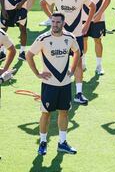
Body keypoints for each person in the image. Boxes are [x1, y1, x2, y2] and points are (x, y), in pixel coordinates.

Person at [26, 13, 81, 155]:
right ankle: (43, 142)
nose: (54, 24)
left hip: (65, 84)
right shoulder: (43, 38)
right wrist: (37, 73)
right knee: (46, 114)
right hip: (49, 85)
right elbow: (29, 55)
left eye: (57, 22)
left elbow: (77, 52)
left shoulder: (69, 38)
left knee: (64, 112)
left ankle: (62, 142)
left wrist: (72, 69)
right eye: (53, 22)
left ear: (63, 23)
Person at [40, 0, 96, 105]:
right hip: (60, 36)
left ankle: (79, 93)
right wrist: (52, 19)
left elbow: (92, 6)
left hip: (76, 36)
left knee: (78, 63)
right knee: (57, 61)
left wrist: (87, 23)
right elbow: (43, 3)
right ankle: (53, 89)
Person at [77, 0, 111, 75]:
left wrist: (99, 13)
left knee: (98, 40)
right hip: (83, 18)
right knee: (84, 40)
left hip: (98, 18)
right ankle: (83, 63)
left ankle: (99, 66)